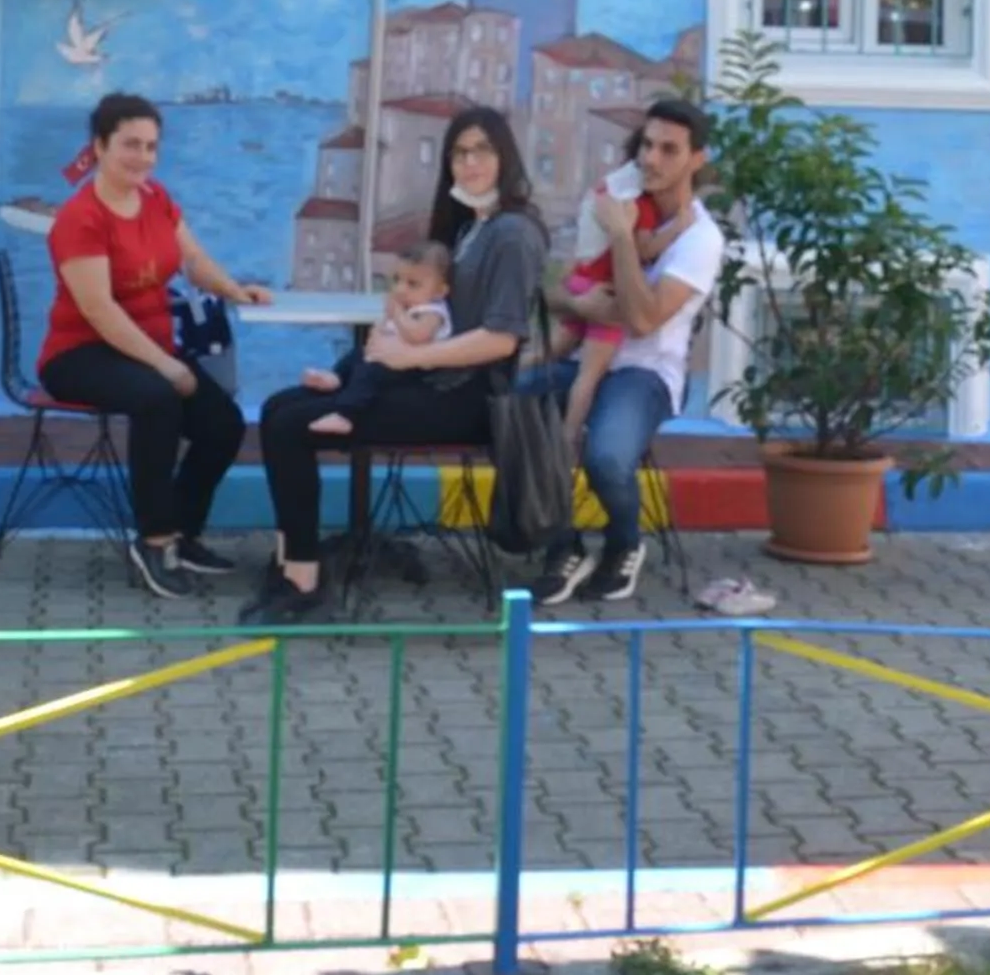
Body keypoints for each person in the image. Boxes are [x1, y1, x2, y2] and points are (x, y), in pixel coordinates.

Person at [244, 107, 547, 625]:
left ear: (505, 156)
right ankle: (293, 559)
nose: (469, 163)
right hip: (429, 382)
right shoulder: (470, 228)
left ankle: (305, 582)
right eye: (459, 153)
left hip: (467, 399)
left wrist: (411, 355)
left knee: (295, 424)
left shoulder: (513, 234)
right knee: (277, 410)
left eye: (482, 151)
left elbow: (501, 338)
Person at [37, 91, 274, 599]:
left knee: (223, 424)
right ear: (99, 146)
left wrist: (235, 289)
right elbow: (99, 310)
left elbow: (193, 260)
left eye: (151, 146)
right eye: (130, 145)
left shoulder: (157, 198)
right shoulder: (81, 218)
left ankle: (184, 532)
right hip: (80, 353)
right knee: (158, 399)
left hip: (148, 346)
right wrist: (167, 366)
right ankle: (153, 540)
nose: (142, 157)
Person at [514, 97, 723, 607]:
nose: (651, 159)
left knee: (607, 458)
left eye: (669, 150)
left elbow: (644, 319)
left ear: (697, 159)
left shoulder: (700, 239)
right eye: (647, 145)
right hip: (586, 353)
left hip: (646, 373)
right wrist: (581, 300)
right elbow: (559, 288)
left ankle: (625, 544)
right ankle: (562, 547)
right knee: (516, 405)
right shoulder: (622, 197)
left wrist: (622, 236)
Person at [550, 142, 696, 396]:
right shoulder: (639, 205)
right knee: (588, 378)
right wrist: (677, 228)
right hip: (606, 291)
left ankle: (506, 372)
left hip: (582, 279)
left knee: (552, 351)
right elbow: (644, 249)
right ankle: (570, 434)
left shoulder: (607, 193)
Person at [304, 241, 454, 436]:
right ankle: (336, 377)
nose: (401, 289)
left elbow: (419, 336)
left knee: (370, 373)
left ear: (439, 291)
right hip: (392, 358)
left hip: (415, 370)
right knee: (358, 353)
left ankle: (346, 415)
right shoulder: (409, 306)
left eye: (412, 284)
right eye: (396, 280)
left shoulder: (432, 311)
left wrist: (398, 314)